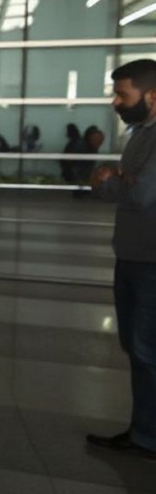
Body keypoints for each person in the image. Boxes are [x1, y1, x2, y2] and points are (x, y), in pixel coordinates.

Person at [86, 58, 156, 460]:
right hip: (131, 256)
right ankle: (144, 428)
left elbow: (142, 195)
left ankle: (148, 435)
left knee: (147, 349)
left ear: (151, 96)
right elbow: (121, 186)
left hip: (150, 263)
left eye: (122, 95)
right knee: (137, 347)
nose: (115, 102)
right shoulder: (139, 133)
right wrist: (117, 180)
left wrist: (114, 179)